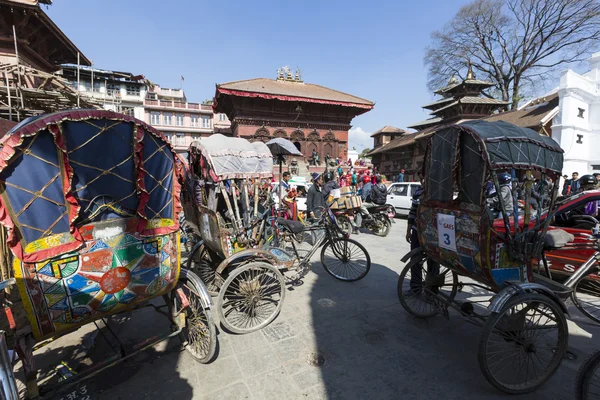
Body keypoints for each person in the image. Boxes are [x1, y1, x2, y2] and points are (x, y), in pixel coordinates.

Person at [405, 185, 439, 295]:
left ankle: (432, 291)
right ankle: (415, 288)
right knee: (415, 260)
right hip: (417, 231)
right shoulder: (418, 192)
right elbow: (412, 212)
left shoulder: (440, 191)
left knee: (433, 261)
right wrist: (408, 230)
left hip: (434, 234)